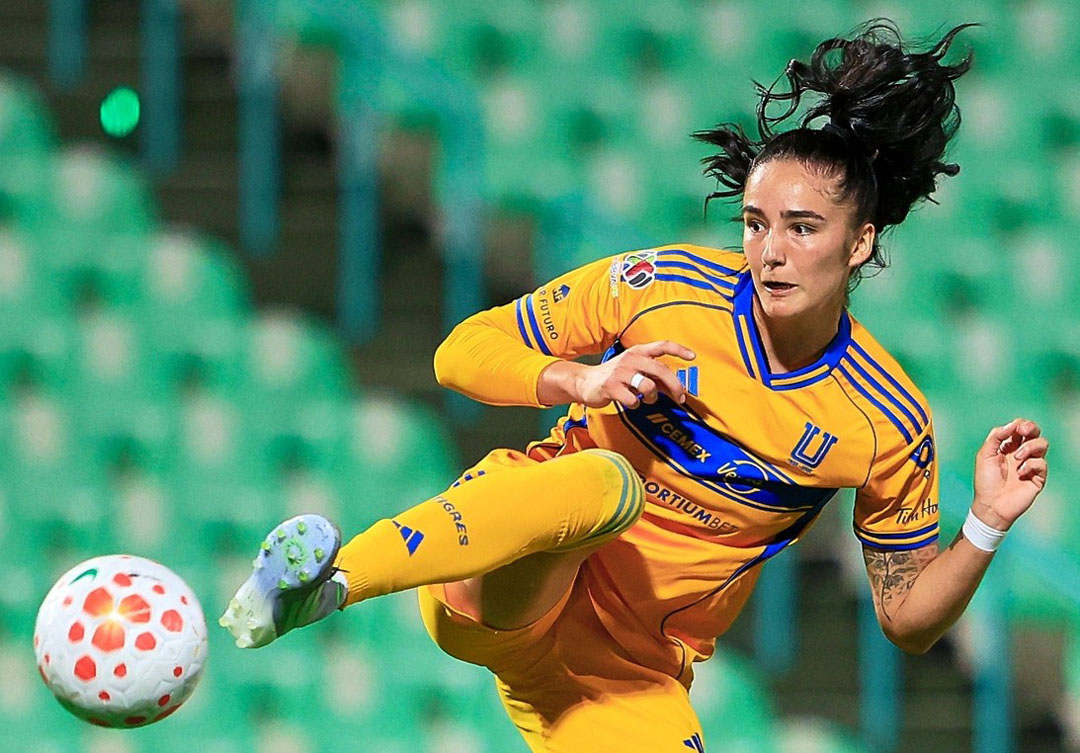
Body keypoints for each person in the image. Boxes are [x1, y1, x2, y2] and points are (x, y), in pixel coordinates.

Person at [220, 20, 1049, 752]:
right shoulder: (662, 288)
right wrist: (582, 378)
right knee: (603, 480)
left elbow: (905, 618)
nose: (771, 252)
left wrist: (983, 522)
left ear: (860, 242)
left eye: (803, 229)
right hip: (510, 579)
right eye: (757, 223)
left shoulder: (883, 419)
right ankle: (322, 588)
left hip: (623, 675)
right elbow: (459, 351)